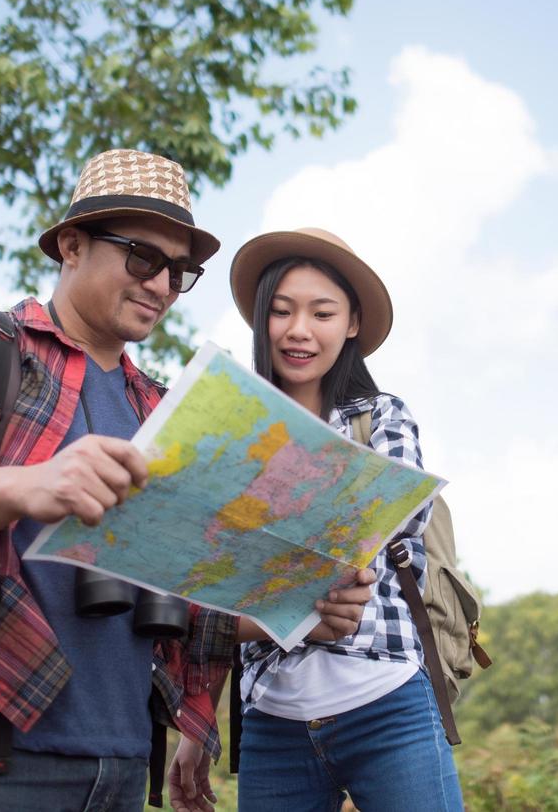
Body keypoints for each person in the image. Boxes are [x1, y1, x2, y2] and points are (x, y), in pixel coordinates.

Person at [0, 151, 376, 812]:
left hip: (119, 767)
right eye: (143, 259)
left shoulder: (163, 411)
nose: (162, 286)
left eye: (181, 272)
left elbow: (178, 607)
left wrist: (293, 612)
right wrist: (28, 486)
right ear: (71, 245)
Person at [168, 227, 462, 812]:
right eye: (280, 311)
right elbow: (217, 595)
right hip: (272, 726)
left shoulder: (382, 417)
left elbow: (386, 517)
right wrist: (195, 728)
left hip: (387, 701)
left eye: (321, 312)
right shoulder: (233, 437)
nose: (298, 330)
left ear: (351, 324)